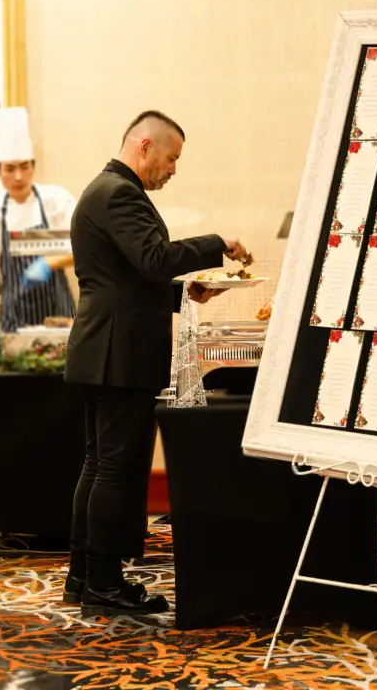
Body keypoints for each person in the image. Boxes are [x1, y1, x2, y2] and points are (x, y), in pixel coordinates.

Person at [63, 111, 250, 617]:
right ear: (145, 146)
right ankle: (103, 584)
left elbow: (126, 278)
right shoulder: (120, 192)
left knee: (98, 466)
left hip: (103, 347)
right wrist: (217, 245)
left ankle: (84, 577)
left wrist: (182, 292)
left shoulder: (101, 189)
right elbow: (151, 258)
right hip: (117, 353)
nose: (172, 170)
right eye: (171, 159)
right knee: (116, 471)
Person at [0, 107, 77, 331]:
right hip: (13, 324)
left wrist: (48, 262)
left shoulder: (57, 201)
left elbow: (88, 245)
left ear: (33, 166)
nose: (18, 176)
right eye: (10, 169)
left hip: (60, 322)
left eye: (25, 167)